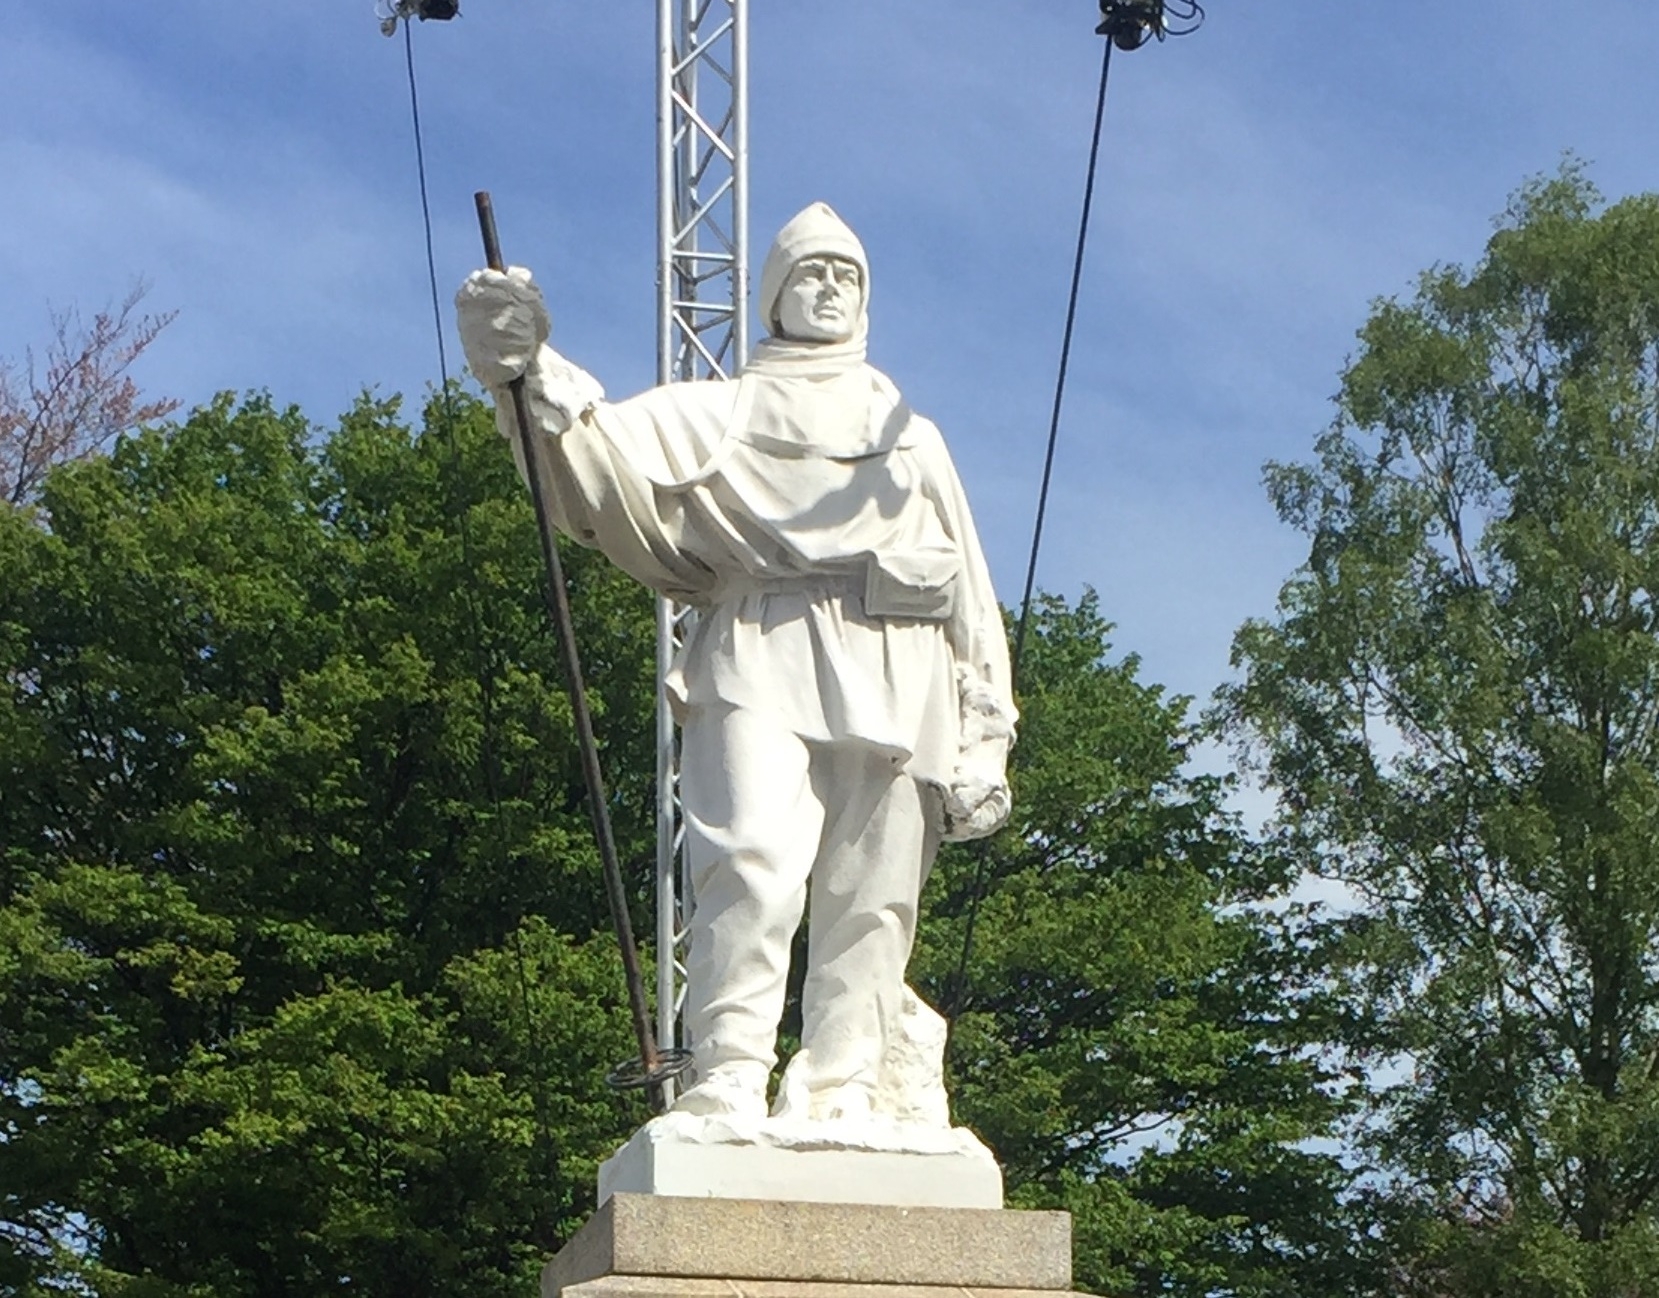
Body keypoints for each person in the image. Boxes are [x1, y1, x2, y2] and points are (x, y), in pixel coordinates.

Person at [456, 202, 1015, 1124]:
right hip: (761, 642)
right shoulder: (718, 412)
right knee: (749, 858)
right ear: (774, 296)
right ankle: (726, 1071)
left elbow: (969, 595)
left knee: (871, 899)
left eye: (847, 274)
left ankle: (844, 1088)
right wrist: (523, 367)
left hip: (901, 664)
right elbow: (594, 460)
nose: (829, 287)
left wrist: (985, 731)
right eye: (810, 271)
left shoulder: (911, 435)